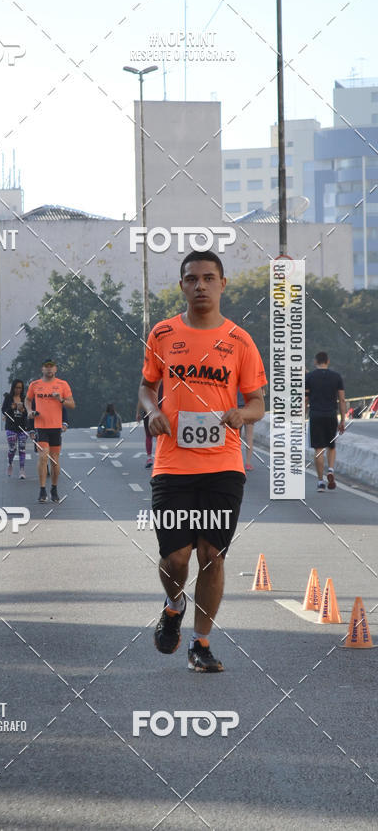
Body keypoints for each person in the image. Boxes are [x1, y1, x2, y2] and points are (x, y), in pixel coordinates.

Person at [138, 250, 266, 673]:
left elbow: (257, 402)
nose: (201, 286)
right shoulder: (162, 333)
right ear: (182, 286)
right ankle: (174, 605)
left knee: (212, 555)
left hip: (223, 465)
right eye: (192, 279)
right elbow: (146, 387)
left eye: (209, 278)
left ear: (222, 284)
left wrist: (242, 414)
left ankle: (201, 642)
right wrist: (152, 411)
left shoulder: (240, 341)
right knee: (176, 558)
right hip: (173, 465)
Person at [25, 358, 75, 503]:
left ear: (55, 369)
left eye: (51, 367)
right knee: (43, 457)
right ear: (42, 369)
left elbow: (72, 404)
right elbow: (27, 400)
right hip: (41, 426)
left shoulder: (62, 384)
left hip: (55, 427)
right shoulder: (35, 385)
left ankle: (54, 488)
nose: (49, 369)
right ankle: (42, 490)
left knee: (54, 460)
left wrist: (61, 400)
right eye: (46, 367)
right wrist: (29, 411)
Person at [305, 352, 346, 491]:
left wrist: (302, 416)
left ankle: (320, 482)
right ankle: (331, 470)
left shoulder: (309, 377)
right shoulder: (337, 377)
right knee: (331, 446)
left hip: (316, 415)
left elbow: (305, 399)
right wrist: (343, 420)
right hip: (331, 415)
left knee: (318, 449)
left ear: (315, 361)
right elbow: (342, 400)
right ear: (327, 361)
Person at [1, 379, 28, 479]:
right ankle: (10, 463)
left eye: (20, 388)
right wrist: (11, 408)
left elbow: (28, 412)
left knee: (22, 449)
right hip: (11, 427)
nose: (18, 390)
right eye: (16, 388)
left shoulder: (24, 398)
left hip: (22, 427)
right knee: (12, 449)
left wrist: (23, 410)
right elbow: (3, 411)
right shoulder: (8, 397)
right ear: (13, 388)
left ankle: (22, 469)